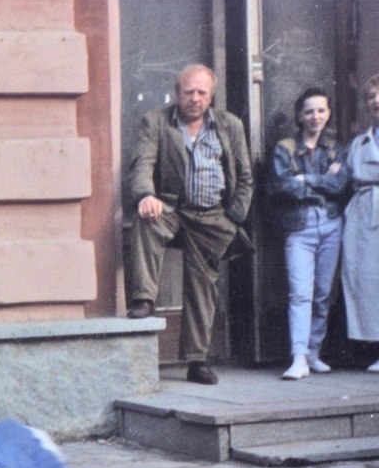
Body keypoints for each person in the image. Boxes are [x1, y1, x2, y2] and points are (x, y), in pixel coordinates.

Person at [126, 64, 254, 385]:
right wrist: (145, 195)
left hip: (211, 216)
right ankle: (144, 299)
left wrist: (233, 216)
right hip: (171, 206)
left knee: (203, 286)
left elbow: (245, 177)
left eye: (201, 93)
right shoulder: (156, 122)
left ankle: (197, 361)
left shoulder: (230, 126)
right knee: (146, 221)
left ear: (211, 96)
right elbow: (142, 163)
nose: (194, 99)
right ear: (177, 92)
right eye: (188, 92)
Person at [266, 88, 348, 380]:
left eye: (321, 111)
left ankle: (314, 351)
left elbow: (340, 186)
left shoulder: (336, 148)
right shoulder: (284, 148)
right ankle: (298, 357)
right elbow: (279, 186)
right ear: (299, 116)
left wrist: (306, 178)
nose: (316, 117)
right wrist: (323, 180)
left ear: (328, 114)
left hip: (330, 224)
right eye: (309, 111)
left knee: (324, 293)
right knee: (301, 293)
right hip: (299, 228)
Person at [341, 73, 379, 372]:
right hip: (364, 211)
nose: (376, 101)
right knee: (366, 280)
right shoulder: (359, 143)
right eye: (370, 97)